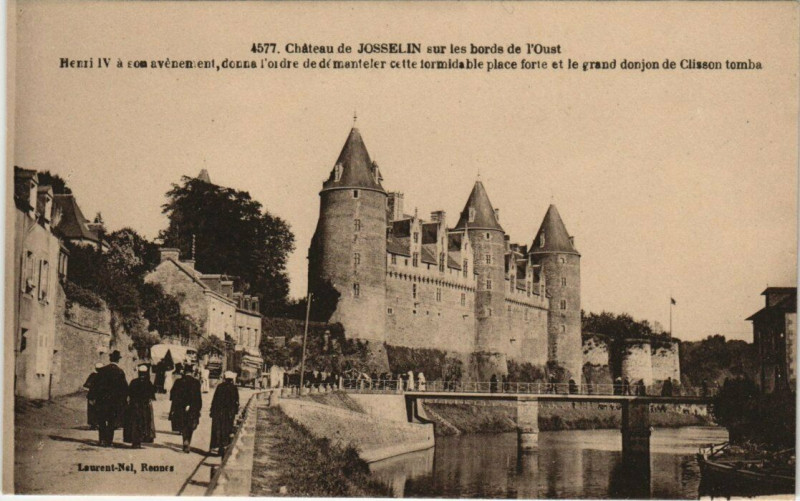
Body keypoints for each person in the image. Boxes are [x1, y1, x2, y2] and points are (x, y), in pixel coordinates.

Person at [88, 350, 128, 447]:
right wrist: (124, 400)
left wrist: (92, 397)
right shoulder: (120, 372)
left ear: (110, 359)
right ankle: (109, 441)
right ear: (118, 360)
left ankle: (102, 440)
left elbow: (95, 385)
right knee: (111, 421)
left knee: (101, 420)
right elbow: (124, 388)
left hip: (102, 400)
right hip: (114, 402)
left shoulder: (102, 370)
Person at [124, 364, 156, 448]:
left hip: (134, 406)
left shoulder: (134, 382)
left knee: (134, 423)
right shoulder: (148, 383)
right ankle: (140, 441)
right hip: (144, 407)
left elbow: (129, 393)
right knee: (144, 423)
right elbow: (152, 396)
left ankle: (135, 441)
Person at [172, 364, 202, 453]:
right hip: (193, 407)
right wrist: (198, 408)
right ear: (192, 372)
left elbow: (173, 394)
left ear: (184, 372)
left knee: (183, 424)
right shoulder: (196, 382)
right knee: (190, 425)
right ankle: (188, 440)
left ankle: (185, 440)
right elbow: (198, 397)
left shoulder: (178, 381)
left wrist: (175, 406)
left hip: (181, 407)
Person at [210, 371, 240, 457]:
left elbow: (215, 399)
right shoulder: (234, 388)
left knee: (218, 429)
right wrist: (235, 411)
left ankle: (219, 447)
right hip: (229, 413)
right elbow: (236, 401)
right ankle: (224, 446)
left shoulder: (220, 387)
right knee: (227, 429)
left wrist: (212, 411)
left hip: (219, 412)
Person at [83, 363, 103, 429]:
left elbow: (86, 384)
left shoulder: (93, 375)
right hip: (99, 395)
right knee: (98, 409)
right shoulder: (103, 376)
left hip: (93, 395)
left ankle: (93, 424)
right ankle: (96, 424)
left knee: (92, 409)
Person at [168, 363, 185, 432]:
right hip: (183, 400)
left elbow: (173, 390)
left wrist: (172, 398)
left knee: (177, 413)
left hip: (177, 400)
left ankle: (179, 427)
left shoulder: (177, 380)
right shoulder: (178, 379)